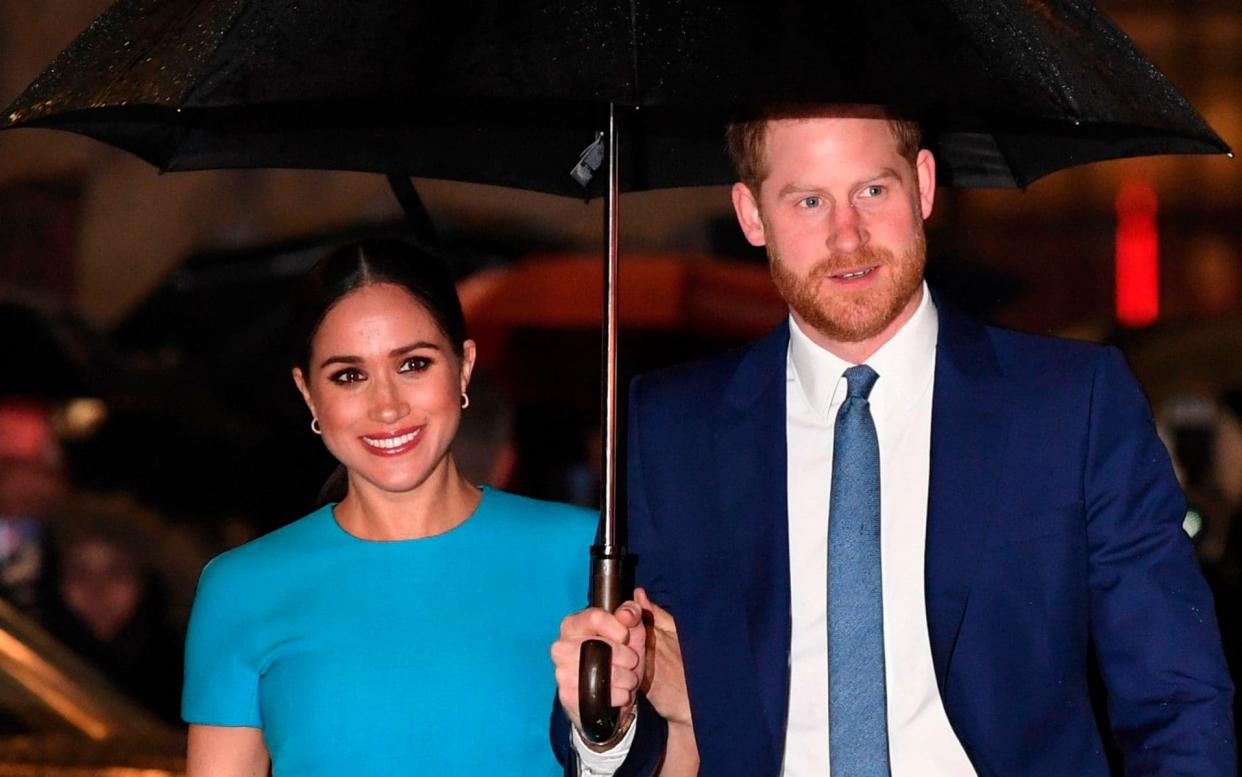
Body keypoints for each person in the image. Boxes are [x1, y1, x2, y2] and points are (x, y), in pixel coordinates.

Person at [550, 105, 1236, 776]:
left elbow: (1176, 694)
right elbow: (647, 711)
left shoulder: (1070, 403)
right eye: (809, 201)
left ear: (926, 184)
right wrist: (606, 718)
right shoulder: (674, 426)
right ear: (751, 214)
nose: (848, 236)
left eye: (873, 190)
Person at [182, 239, 599, 776]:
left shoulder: (584, 554)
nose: (387, 406)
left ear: (464, 367)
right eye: (349, 375)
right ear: (308, 393)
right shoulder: (241, 588)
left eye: (414, 364)